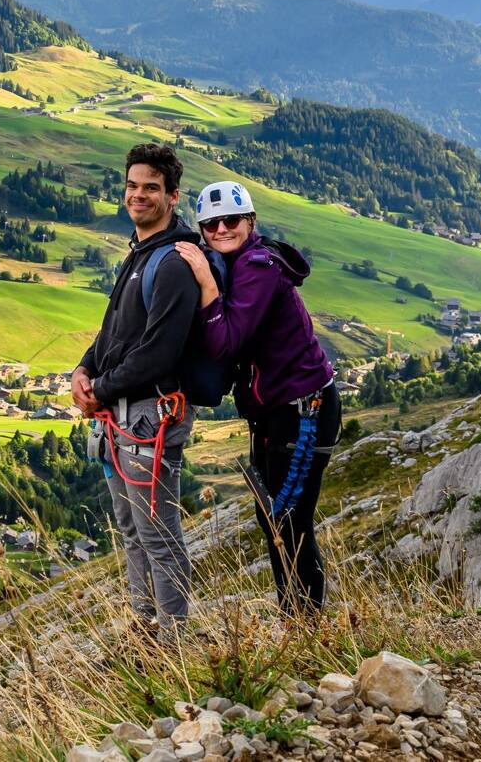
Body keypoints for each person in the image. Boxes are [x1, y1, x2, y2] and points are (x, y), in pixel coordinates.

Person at [175, 180, 339, 615]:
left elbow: (227, 341)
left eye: (232, 220)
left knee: (290, 521)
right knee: (275, 521)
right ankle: (296, 622)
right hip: (275, 414)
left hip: (302, 410)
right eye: (211, 224)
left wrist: (207, 286)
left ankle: (306, 627)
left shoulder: (258, 267)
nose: (221, 229)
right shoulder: (242, 262)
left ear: (250, 222)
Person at [72, 142, 201, 632]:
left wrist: (99, 389)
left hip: (151, 414)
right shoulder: (140, 253)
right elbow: (113, 334)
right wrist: (82, 373)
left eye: (151, 187)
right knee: (131, 532)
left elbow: (158, 354)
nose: (138, 195)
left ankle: (172, 640)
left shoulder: (172, 263)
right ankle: (144, 630)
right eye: (132, 185)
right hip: (121, 413)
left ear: (172, 196)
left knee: (157, 533)